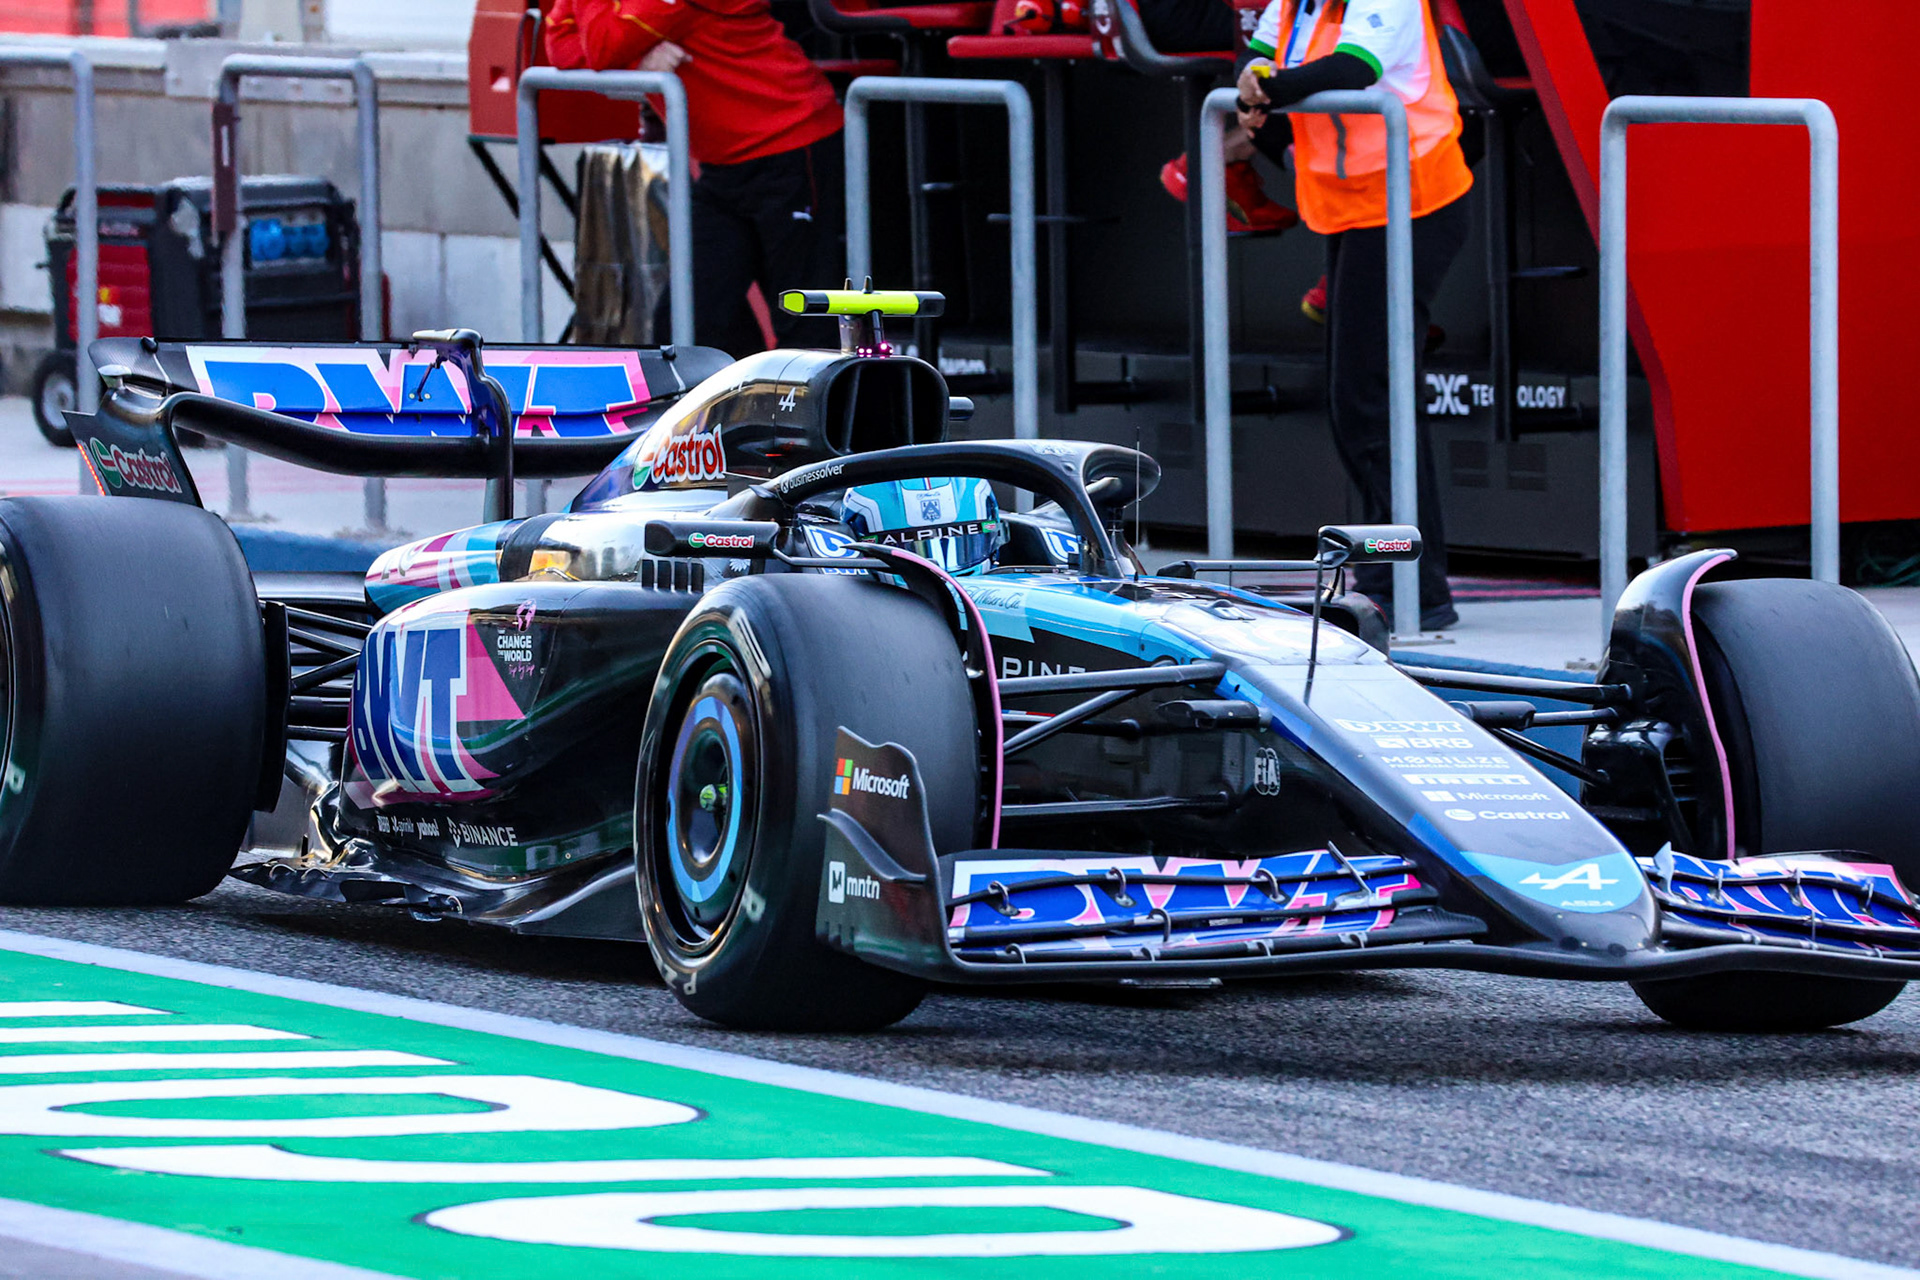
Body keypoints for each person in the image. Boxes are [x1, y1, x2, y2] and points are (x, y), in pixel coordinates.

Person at [1239, 0, 1472, 630]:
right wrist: (1257, 78)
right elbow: (1262, 51)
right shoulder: (1294, 4)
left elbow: (1352, 67)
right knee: (1359, 400)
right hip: (1355, 209)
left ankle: (1408, 588)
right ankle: (1396, 579)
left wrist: (1268, 89)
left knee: (1368, 397)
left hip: (1414, 201)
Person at [545, 0, 845, 356]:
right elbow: (560, 44)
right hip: (723, 167)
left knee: (805, 328)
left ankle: (820, 410)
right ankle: (737, 408)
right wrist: (636, 61)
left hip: (791, 144)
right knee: (685, 324)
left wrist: (624, 55)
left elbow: (601, 45)